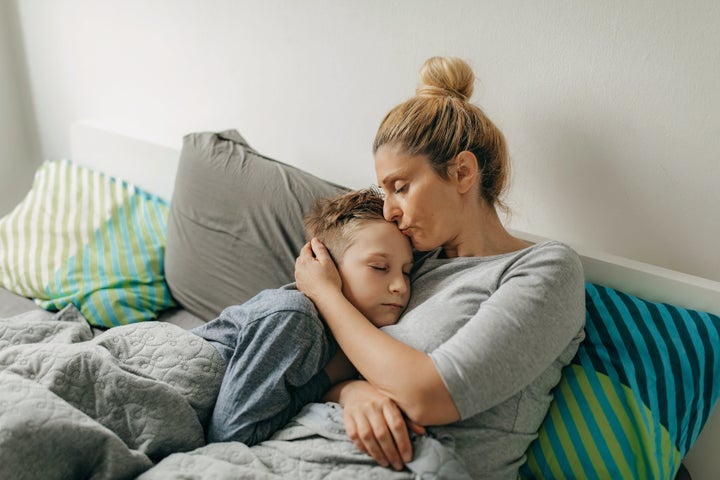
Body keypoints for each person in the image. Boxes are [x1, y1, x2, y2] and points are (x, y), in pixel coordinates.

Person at [294, 56, 586, 478]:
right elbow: (325, 369)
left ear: (463, 172)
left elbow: (429, 396)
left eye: (401, 187)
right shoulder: (409, 263)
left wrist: (325, 293)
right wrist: (353, 393)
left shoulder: (545, 270)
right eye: (384, 191)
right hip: (316, 440)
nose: (390, 211)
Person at [191, 187, 414, 446]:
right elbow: (231, 436)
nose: (400, 285)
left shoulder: (358, 337)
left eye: (407, 271)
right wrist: (329, 380)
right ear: (325, 264)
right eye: (379, 267)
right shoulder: (297, 317)